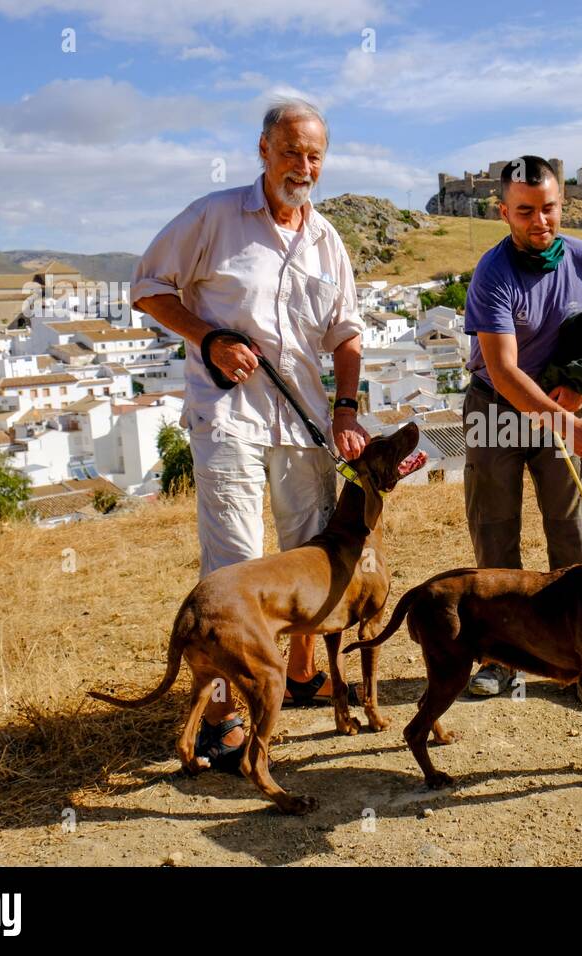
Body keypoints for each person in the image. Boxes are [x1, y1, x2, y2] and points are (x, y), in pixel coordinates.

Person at [130, 97, 368, 769]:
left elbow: (347, 334)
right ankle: (222, 713)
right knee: (234, 566)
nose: (304, 166)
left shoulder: (326, 239)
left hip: (303, 421)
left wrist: (346, 409)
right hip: (229, 417)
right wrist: (208, 337)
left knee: (311, 560)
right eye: (291, 151)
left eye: (315, 155)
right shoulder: (213, 217)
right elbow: (148, 286)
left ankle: (295, 676)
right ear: (263, 150)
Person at [461, 155, 582, 696]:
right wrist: (569, 424)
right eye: (526, 211)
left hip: (563, 403)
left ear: (563, 205)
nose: (540, 222)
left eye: (549, 208)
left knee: (574, 532)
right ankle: (500, 661)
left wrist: (578, 392)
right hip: (496, 410)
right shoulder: (492, 273)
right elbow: (504, 372)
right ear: (503, 212)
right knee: (495, 531)